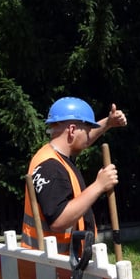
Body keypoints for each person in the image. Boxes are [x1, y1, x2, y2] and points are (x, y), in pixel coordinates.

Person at [22, 97, 127, 253]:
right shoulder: (51, 168)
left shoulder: (50, 156)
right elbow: (59, 220)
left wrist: (108, 123)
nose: (89, 135)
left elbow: (83, 140)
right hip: (57, 265)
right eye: (87, 129)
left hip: (54, 263)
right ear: (71, 130)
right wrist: (99, 185)